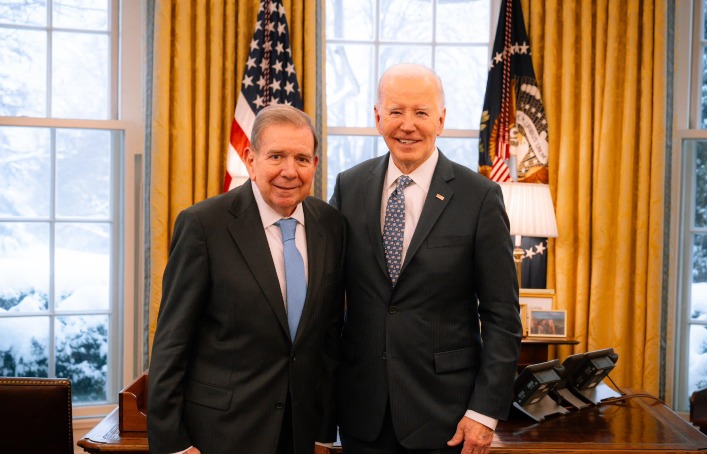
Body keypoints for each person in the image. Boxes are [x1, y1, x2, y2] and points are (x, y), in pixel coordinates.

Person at [330, 63, 522, 454]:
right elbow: (326, 293)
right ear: (378, 116)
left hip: (446, 417)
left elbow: (502, 316)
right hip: (361, 414)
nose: (408, 125)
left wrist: (484, 413)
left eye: (421, 112)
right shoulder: (349, 187)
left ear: (441, 119)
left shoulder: (479, 197)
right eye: (396, 111)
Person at [147, 104, 345, 454]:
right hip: (220, 433)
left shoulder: (331, 225)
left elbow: (327, 337)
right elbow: (172, 342)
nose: (289, 171)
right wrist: (173, 444)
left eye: (301, 158)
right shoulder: (204, 226)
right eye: (276, 156)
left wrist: (323, 432)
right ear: (250, 160)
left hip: (299, 433)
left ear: (314, 164)